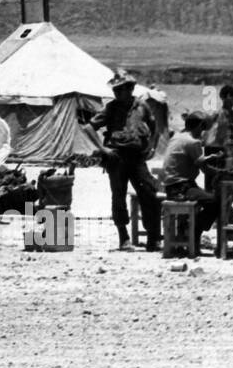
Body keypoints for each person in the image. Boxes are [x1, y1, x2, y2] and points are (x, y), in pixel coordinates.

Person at [91, 70, 162, 252]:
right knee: (118, 196)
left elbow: (155, 126)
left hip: (137, 157)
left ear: (129, 89)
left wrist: (152, 147)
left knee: (149, 192)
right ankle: (124, 238)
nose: (116, 93)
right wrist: (103, 148)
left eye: (119, 89)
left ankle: (153, 238)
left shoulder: (142, 106)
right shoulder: (111, 108)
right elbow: (89, 127)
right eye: (115, 90)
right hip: (117, 157)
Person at [160, 111, 218, 236]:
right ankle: (193, 232)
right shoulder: (192, 142)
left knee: (206, 197)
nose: (202, 134)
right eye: (202, 129)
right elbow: (205, 169)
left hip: (171, 186)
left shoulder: (177, 136)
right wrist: (222, 172)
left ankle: (188, 230)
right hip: (182, 187)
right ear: (199, 126)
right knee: (215, 202)